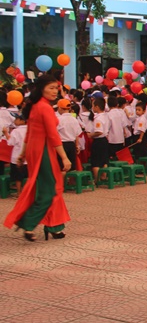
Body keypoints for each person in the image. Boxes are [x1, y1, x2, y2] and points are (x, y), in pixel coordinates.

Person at [3, 75, 71, 242]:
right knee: (50, 190)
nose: (55, 91)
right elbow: (53, 135)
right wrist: (65, 157)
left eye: (56, 88)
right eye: (51, 88)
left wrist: (22, 154)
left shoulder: (35, 106)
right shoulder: (44, 108)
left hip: (35, 150)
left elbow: (29, 134)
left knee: (46, 187)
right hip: (43, 151)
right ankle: (28, 222)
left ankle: (55, 226)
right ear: (41, 89)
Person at [56, 99, 81, 168]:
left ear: (60, 108)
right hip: (72, 144)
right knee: (73, 168)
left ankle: (62, 179)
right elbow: (77, 134)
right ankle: (72, 179)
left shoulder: (58, 119)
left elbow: (55, 133)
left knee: (62, 167)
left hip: (62, 145)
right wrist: (77, 145)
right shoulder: (74, 119)